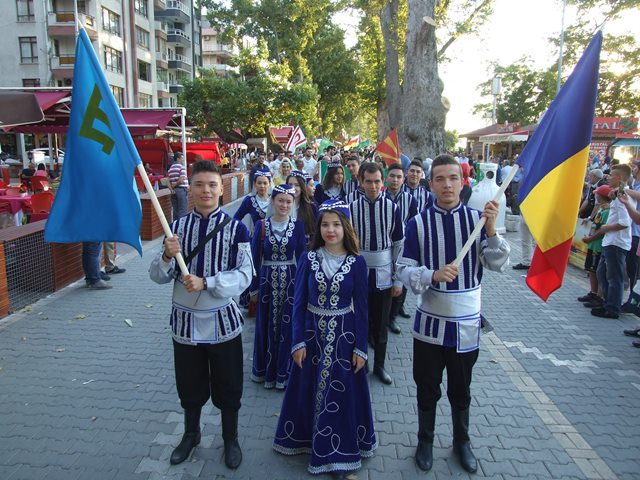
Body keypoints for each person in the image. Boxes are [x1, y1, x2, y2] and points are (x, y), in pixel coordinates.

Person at [397, 154, 510, 474]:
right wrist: (431, 275)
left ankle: (462, 441)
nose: (447, 185)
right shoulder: (417, 224)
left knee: (461, 389)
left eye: (453, 178)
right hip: (429, 324)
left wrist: (491, 229)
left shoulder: (478, 220)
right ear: (430, 184)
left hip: (466, 326)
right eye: (440, 179)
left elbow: (498, 263)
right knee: (427, 387)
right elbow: (402, 271)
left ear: (463, 183)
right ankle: (425, 440)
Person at [149, 161, 252, 470]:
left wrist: (208, 282)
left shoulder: (237, 229)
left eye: (212, 185)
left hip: (223, 321)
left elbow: (245, 275)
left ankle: (230, 438)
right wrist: (166, 255)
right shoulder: (176, 228)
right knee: (189, 384)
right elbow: (157, 276)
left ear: (221, 189)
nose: (206, 190)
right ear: (190, 189)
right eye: (199, 184)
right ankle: (191, 434)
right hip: (185, 323)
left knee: (229, 384)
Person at [273, 200, 376, 478]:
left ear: (346, 227)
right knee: (307, 388)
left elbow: (362, 309)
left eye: (336, 224)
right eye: (325, 225)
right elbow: (298, 303)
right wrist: (297, 341)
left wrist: (361, 348)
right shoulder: (309, 258)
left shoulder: (357, 262)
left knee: (339, 394)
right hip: (311, 336)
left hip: (344, 338)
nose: (330, 230)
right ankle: (307, 441)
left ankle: (336, 453)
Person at [350, 162, 404, 385]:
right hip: (359, 273)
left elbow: (399, 244)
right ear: (361, 182)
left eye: (377, 181)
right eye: (368, 181)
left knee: (381, 324)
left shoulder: (392, 208)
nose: (373, 186)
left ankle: (380, 366)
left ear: (383, 182)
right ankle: (361, 363)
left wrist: (398, 279)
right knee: (360, 321)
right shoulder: (352, 207)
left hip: (384, 274)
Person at [250, 184, 307, 389]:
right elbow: (254, 259)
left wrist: (304, 288)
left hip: (291, 283)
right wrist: (253, 289)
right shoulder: (262, 226)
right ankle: (266, 371)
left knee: (288, 327)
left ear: (293, 203)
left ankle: (284, 373)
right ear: (273, 201)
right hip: (267, 283)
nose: (284, 205)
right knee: (265, 326)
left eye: (288, 202)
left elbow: (302, 258)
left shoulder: (298, 226)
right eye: (280, 200)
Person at [591, 164, 632, 319]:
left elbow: (625, 222)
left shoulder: (622, 196)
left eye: (612, 175)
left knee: (614, 277)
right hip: (610, 241)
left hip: (616, 242)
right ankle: (608, 302)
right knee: (602, 272)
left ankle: (612, 307)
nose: (608, 178)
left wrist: (606, 227)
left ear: (620, 177)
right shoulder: (617, 194)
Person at [384, 163, 418, 333]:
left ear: (403, 179)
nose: (395, 180)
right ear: (386, 177)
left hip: (403, 246)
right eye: (392, 176)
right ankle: (382, 317)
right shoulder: (380, 197)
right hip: (383, 247)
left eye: (399, 177)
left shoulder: (410, 200)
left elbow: (414, 223)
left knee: (401, 281)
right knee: (385, 282)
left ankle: (392, 317)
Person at [577, 185, 611, 305]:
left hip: (598, 246)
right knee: (591, 269)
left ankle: (599, 297)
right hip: (592, 244)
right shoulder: (601, 209)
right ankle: (593, 292)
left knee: (598, 272)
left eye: (597, 194)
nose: (595, 196)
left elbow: (602, 229)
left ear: (601, 196)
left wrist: (591, 238)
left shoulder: (607, 211)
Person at [287, 170, 318, 241]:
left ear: (302, 187)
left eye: (297, 185)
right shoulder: (281, 206)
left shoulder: (311, 207)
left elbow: (315, 232)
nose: (293, 188)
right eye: (290, 184)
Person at [168, 151, 189, 220]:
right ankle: (182, 225)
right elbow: (181, 179)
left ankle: (175, 225)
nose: (183, 160)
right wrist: (174, 185)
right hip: (181, 190)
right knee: (183, 210)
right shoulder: (181, 167)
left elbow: (168, 181)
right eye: (182, 158)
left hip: (174, 191)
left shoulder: (170, 169)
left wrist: (171, 189)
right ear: (177, 159)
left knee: (175, 211)